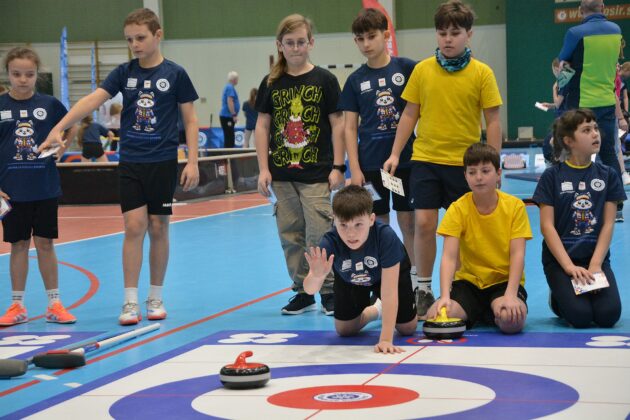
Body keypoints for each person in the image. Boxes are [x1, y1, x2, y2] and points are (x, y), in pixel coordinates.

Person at [40, 8, 200, 325]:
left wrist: (192, 160)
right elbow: (92, 100)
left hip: (163, 163)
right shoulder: (124, 73)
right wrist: (58, 127)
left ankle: (155, 296)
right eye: (129, 39)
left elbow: (191, 119)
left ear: (158, 35)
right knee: (134, 227)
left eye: (140, 38)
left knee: (159, 227)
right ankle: (130, 301)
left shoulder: (176, 74)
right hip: (131, 162)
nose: (134, 45)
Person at [383, 0, 503, 319]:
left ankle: (460, 289)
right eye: (442, 33)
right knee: (424, 223)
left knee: (461, 231)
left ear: (469, 34)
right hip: (426, 160)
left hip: (465, 166)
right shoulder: (423, 71)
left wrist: (494, 165)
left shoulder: (482, 73)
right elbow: (410, 113)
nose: (448, 39)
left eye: (455, 33)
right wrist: (395, 153)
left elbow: (492, 121)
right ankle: (423, 288)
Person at [255, 13, 345, 316]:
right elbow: (262, 127)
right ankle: (303, 291)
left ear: (311, 43)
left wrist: (339, 166)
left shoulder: (325, 80)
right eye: (290, 43)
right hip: (281, 175)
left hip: (317, 173)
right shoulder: (271, 83)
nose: (295, 48)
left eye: (301, 42)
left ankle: (329, 289)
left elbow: (338, 125)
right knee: (290, 235)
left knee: (319, 233)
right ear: (280, 45)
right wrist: (263, 168)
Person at [339, 8, 417, 298]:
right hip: (370, 166)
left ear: (386, 35)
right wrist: (354, 169)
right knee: (378, 223)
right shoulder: (354, 81)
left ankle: (413, 279)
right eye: (360, 39)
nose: (366, 44)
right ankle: (383, 279)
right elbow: (349, 128)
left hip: (404, 163)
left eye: (371, 37)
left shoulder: (406, 69)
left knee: (408, 222)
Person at [0, 47, 76, 326]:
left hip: (44, 188)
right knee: (18, 245)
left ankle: (54, 304)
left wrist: (63, 147)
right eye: (17, 74)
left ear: (37, 75)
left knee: (45, 244)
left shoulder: (50, 104)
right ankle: (17, 306)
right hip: (11, 192)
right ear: (7, 74)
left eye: (29, 74)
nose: (23, 79)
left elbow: (71, 125)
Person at [533, 109, 626, 328]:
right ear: (569, 141)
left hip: (594, 257)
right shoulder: (552, 176)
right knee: (580, 317)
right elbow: (547, 227)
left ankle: (576, 289)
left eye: (595, 128)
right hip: (561, 260)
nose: (595, 134)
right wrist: (568, 267)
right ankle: (558, 298)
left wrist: (596, 264)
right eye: (586, 130)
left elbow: (608, 224)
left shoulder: (608, 175)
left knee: (608, 315)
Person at [426, 144, 532, 333]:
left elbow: (517, 254)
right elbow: (449, 257)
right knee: (435, 314)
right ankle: (482, 312)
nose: (479, 177)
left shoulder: (515, 207)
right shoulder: (457, 209)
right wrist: (444, 296)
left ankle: (491, 310)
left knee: (511, 321)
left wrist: (510, 294)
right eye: (472, 172)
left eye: (485, 171)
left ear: (498, 173)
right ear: (465, 176)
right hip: (469, 284)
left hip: (503, 283)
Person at [304, 185, 417, 353]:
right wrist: (316, 276)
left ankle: (384, 305)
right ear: (334, 220)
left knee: (407, 328)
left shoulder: (385, 237)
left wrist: (385, 339)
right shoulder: (329, 242)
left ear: (371, 219)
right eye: (343, 225)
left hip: (386, 277)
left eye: (358, 225)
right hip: (351, 278)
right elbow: (309, 290)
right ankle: (376, 310)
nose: (351, 234)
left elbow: (389, 291)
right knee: (345, 330)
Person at [557, 0, 623, 193]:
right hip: (607, 101)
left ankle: (577, 196)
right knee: (608, 152)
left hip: (582, 103)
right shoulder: (616, 30)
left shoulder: (575, 33)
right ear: (603, 8)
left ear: (580, 11)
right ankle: (617, 200)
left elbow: (562, 64)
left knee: (576, 152)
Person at [539, 58, 566, 166]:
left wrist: (554, 89)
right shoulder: (563, 82)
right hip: (561, 118)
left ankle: (553, 165)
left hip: (563, 119)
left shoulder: (562, 82)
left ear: (556, 69)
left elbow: (558, 103)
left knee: (549, 143)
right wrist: (550, 106)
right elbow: (561, 102)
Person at [220, 71, 240, 148]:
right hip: (227, 116)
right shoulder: (230, 88)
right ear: (234, 79)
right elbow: (230, 101)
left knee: (229, 136)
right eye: (237, 79)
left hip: (227, 116)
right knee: (229, 137)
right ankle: (228, 154)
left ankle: (229, 154)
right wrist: (234, 114)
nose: (238, 80)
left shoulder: (229, 87)